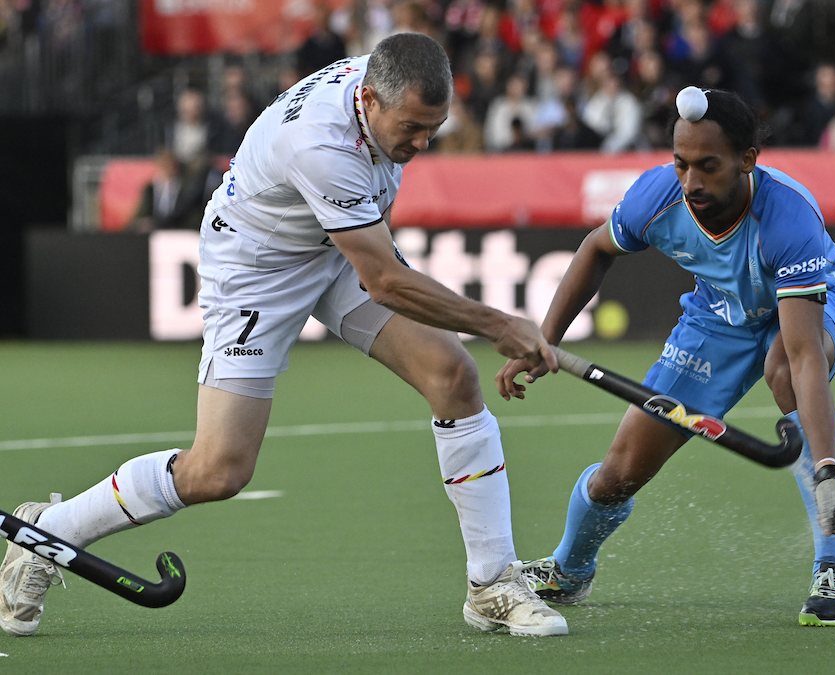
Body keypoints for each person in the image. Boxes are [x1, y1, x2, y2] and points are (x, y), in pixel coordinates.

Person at [0, 33, 568, 639]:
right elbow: (384, 280)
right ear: (370, 99)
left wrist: (478, 326)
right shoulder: (323, 144)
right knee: (218, 471)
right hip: (257, 267)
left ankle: (491, 585)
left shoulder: (381, 83)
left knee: (453, 376)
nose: (423, 144)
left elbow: (373, 262)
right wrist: (499, 323)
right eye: (412, 128)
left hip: (332, 247)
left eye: (435, 128)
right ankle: (52, 530)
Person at [497, 86, 835, 627]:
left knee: (784, 368)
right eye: (681, 163)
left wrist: (828, 473)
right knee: (618, 474)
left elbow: (806, 355)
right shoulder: (658, 196)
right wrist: (544, 339)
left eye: (708, 166)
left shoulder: (788, 220)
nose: (692, 182)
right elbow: (596, 249)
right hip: (717, 316)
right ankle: (569, 569)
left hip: (817, 301)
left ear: (747, 161)